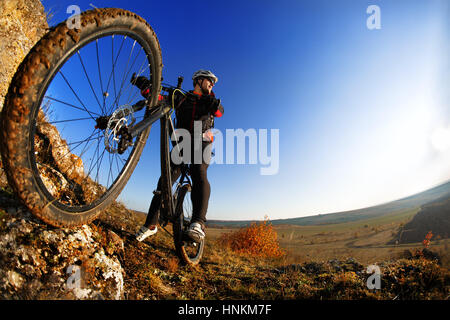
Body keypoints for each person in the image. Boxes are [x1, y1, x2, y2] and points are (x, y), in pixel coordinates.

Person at [135, 69, 224, 243]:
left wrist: (214, 104)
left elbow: (219, 111)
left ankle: (198, 223)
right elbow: (158, 100)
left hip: (203, 142)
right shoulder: (182, 97)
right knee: (165, 181)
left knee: (198, 171)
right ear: (198, 80)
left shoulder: (210, 100)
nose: (212, 84)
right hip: (182, 144)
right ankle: (150, 225)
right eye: (209, 81)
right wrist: (145, 87)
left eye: (213, 83)